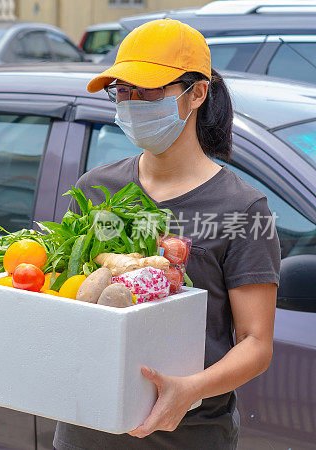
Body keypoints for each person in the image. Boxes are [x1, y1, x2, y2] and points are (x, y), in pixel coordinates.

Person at [52, 19, 281, 449]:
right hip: (85, 431)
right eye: (123, 90)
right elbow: (65, 298)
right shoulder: (95, 190)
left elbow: (256, 343)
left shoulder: (244, 210)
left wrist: (190, 389)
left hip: (190, 435)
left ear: (196, 93)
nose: (133, 102)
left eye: (150, 90)